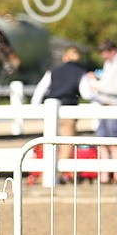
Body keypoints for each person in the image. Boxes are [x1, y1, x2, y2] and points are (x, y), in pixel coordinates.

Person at [32, 47, 89, 183]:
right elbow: (87, 93)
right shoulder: (81, 72)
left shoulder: (53, 71)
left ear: (65, 57)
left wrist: (36, 108)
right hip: (69, 111)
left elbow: (39, 91)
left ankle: (44, 175)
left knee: (49, 143)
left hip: (50, 111)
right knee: (66, 144)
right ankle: (61, 175)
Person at [82, 39, 117, 183]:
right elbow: (107, 82)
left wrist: (96, 85)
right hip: (104, 105)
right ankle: (104, 175)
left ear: (112, 51)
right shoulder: (109, 62)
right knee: (102, 140)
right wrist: (98, 80)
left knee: (114, 142)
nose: (103, 57)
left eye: (104, 54)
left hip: (116, 106)